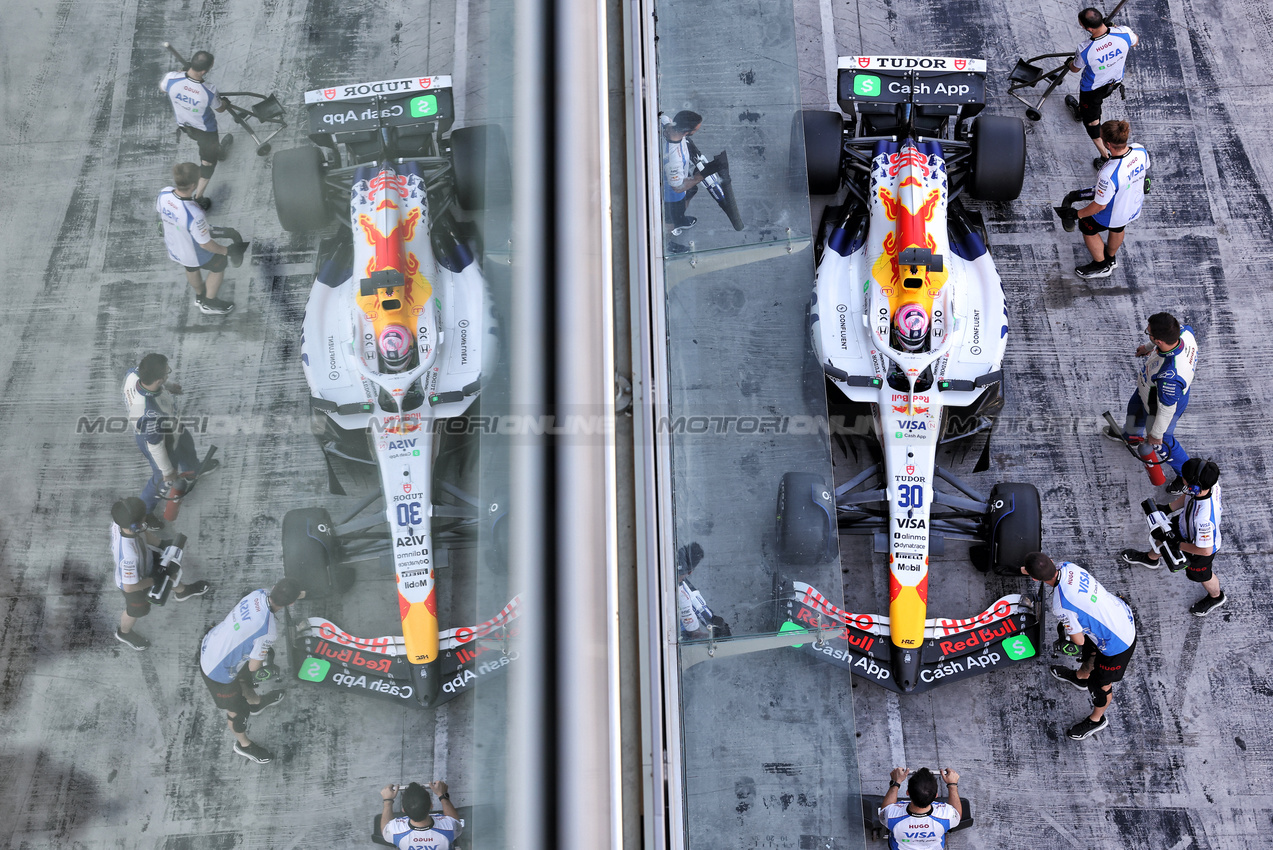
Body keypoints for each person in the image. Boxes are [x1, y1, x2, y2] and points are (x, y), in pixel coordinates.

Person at [1022, 552, 1136, 740]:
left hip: (1118, 643)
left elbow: (1078, 641)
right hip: (1119, 616)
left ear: (1034, 578)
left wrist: (1065, 632)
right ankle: (1081, 678)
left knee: (1101, 685)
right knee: (1091, 652)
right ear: (1051, 561)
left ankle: (1097, 720)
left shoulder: (1061, 604)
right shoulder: (1068, 566)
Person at [197, 578, 303, 763]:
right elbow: (255, 667)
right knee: (237, 712)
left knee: (243, 677)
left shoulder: (258, 594)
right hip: (217, 672)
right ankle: (243, 745)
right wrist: (268, 669)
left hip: (212, 644)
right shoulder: (268, 630)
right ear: (292, 603)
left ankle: (256, 702)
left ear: (274, 586)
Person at [1121, 457, 1227, 616]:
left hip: (1196, 547)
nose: (1181, 478)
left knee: (1201, 575)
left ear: (1194, 486)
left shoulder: (1204, 519)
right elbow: (1188, 495)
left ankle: (1216, 597)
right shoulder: (1207, 484)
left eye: (1183, 478)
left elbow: (1205, 550)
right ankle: (1151, 559)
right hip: (1185, 525)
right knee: (1162, 537)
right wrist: (1169, 508)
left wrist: (1178, 545)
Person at [1103, 312, 1196, 491]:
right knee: (1134, 411)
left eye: (1149, 333)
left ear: (1159, 341)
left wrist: (1156, 434)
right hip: (1147, 391)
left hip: (1160, 406)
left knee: (1164, 444)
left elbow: (1167, 409)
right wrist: (1147, 347)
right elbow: (1163, 339)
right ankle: (1131, 437)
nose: (1147, 333)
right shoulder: (1184, 333)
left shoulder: (1170, 376)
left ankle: (1188, 477)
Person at [123, 353, 219, 520]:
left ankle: (192, 470)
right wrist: (167, 472)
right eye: (167, 373)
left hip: (170, 426)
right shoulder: (150, 414)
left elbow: (153, 380)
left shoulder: (135, 374)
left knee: (185, 443)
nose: (168, 373)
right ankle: (144, 512)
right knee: (161, 480)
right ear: (158, 380)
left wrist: (168, 386)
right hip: (157, 439)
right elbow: (155, 445)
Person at [111, 497, 210, 650]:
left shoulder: (121, 524)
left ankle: (183, 592)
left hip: (147, 560)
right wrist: (154, 580)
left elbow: (143, 534)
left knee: (170, 573)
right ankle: (124, 633)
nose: (147, 518)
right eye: (144, 518)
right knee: (135, 611)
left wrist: (161, 544)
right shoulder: (129, 556)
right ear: (135, 525)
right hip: (138, 581)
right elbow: (130, 586)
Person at [1070, 121, 1149, 279]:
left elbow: (1100, 205)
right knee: (1118, 228)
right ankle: (1111, 258)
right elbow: (1146, 172)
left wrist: (1078, 214)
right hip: (1132, 205)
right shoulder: (1140, 149)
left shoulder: (1108, 172)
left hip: (1114, 212)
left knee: (1087, 226)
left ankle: (1101, 265)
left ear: (1107, 143)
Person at [157, 162, 237, 315]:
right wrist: (225, 250)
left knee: (190, 268)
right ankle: (209, 302)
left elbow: (161, 214)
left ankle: (200, 296)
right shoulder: (194, 214)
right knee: (219, 264)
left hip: (175, 246)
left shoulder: (164, 194)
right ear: (193, 185)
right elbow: (205, 244)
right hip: (193, 250)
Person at [1064, 8, 1138, 167]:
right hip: (1114, 82)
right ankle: (1081, 112)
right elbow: (1135, 40)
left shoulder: (1085, 49)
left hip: (1092, 91)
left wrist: (1069, 63)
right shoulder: (1123, 33)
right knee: (1089, 110)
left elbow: (1075, 68)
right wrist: (1114, 29)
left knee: (1092, 123)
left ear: (1088, 29)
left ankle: (1106, 156)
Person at [160, 50, 232, 207]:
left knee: (207, 147)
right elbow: (220, 108)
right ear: (205, 70)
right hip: (206, 133)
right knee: (207, 164)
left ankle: (217, 151)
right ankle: (198, 197)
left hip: (185, 126)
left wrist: (181, 74)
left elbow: (163, 88)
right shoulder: (209, 91)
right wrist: (225, 102)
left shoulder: (171, 78)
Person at [878, 766, 961, 849]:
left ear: (907, 792)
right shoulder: (947, 816)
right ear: (936, 795)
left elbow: (885, 809)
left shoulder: (891, 815)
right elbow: (957, 814)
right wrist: (952, 785)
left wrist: (895, 783)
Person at [662, 110, 706, 255]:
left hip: (678, 176)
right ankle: (665, 243)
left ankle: (680, 218)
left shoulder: (664, 122)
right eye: (696, 129)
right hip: (671, 195)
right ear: (687, 131)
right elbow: (678, 187)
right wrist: (698, 177)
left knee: (692, 190)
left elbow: (662, 116)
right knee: (670, 219)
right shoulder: (675, 159)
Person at [376, 781, 464, 848]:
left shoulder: (395, 832)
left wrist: (387, 801)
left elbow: (385, 829)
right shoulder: (449, 827)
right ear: (431, 806)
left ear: (403, 810)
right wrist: (442, 795)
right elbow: (455, 821)